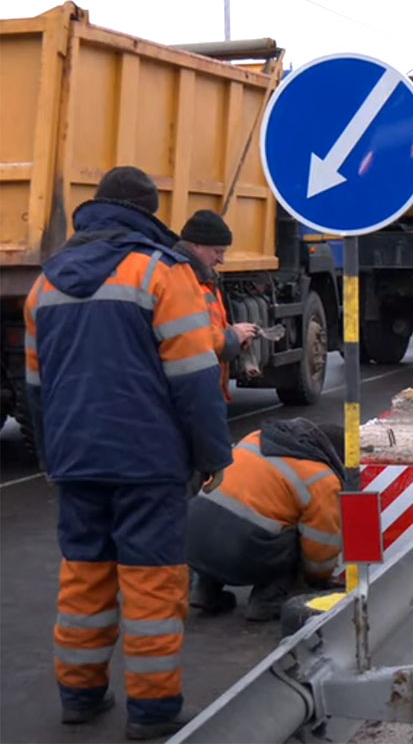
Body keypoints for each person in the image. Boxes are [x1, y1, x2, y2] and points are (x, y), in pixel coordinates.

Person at [23, 165, 231, 739]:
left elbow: (35, 388)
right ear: (147, 214)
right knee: (152, 585)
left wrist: (49, 456)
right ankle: (153, 711)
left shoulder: (47, 283)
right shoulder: (163, 273)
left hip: (76, 460)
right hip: (148, 463)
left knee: (84, 580)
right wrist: (213, 455)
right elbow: (194, 377)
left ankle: (81, 695)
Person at [187, 420, 345, 622]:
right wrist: (317, 579)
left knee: (215, 521)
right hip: (240, 551)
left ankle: (205, 592)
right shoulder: (322, 477)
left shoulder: (255, 439)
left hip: (192, 538)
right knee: (300, 538)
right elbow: (321, 546)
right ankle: (266, 602)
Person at [175, 210, 258, 401]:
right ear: (196, 246)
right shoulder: (181, 281)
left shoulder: (205, 279)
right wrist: (232, 336)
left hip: (204, 391)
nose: (222, 260)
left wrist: (235, 332)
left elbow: (206, 324)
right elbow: (192, 338)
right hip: (192, 393)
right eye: (217, 251)